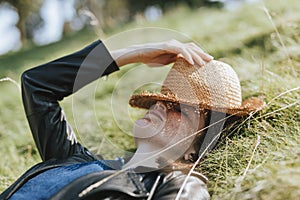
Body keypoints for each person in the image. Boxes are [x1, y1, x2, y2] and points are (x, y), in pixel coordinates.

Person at [0, 39, 264, 200]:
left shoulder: (179, 186)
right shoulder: (73, 160)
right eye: (162, 98)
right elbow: (37, 85)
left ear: (196, 146)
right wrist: (134, 53)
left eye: (178, 107)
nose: (161, 105)